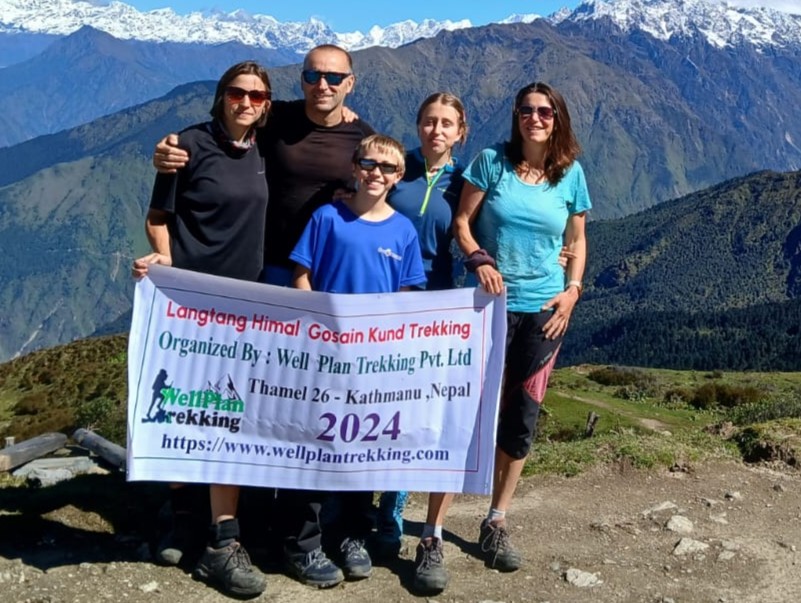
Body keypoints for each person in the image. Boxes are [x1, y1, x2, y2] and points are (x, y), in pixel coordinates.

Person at [152, 44, 373, 588]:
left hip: (316, 288)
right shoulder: (273, 122)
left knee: (299, 411)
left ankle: (298, 535)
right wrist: (165, 152)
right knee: (217, 403)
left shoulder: (362, 137)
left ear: (351, 82)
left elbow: (395, 177)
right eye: (312, 76)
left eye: (333, 77)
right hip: (255, 282)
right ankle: (207, 526)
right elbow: (204, 150)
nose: (322, 85)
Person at [131, 60, 272, 598]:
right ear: (221, 97)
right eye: (237, 93)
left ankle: (219, 537)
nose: (247, 102)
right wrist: (165, 261)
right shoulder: (187, 146)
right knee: (185, 407)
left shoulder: (264, 145)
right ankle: (189, 518)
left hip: (247, 305)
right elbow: (157, 215)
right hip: (189, 305)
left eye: (258, 96)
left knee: (227, 414)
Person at [452, 81, 591, 572]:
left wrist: (573, 291)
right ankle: (432, 528)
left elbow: (577, 239)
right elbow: (462, 221)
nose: (536, 118)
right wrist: (477, 258)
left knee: (522, 415)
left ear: (558, 118)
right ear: (516, 115)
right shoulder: (492, 162)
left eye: (545, 111)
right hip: (486, 305)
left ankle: (496, 519)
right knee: (468, 411)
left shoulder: (571, 174)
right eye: (527, 110)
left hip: (544, 311)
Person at [291, 132, 427, 581]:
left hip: (373, 362)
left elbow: (407, 296)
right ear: (354, 167)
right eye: (368, 164)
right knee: (313, 445)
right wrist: (315, 330)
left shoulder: (403, 231)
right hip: (325, 355)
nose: (376, 173)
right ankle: (304, 540)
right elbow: (302, 275)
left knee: (362, 449)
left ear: (399, 176)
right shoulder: (327, 218)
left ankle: (352, 534)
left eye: (387, 168)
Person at [374, 92, 468, 595]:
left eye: (447, 124)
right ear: (418, 125)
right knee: (376, 408)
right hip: (380, 300)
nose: (437, 130)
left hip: (436, 306)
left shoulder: (468, 181)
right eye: (430, 121)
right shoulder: (395, 168)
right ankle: (370, 511)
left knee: (421, 415)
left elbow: (485, 231)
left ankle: (403, 518)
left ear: (460, 132)